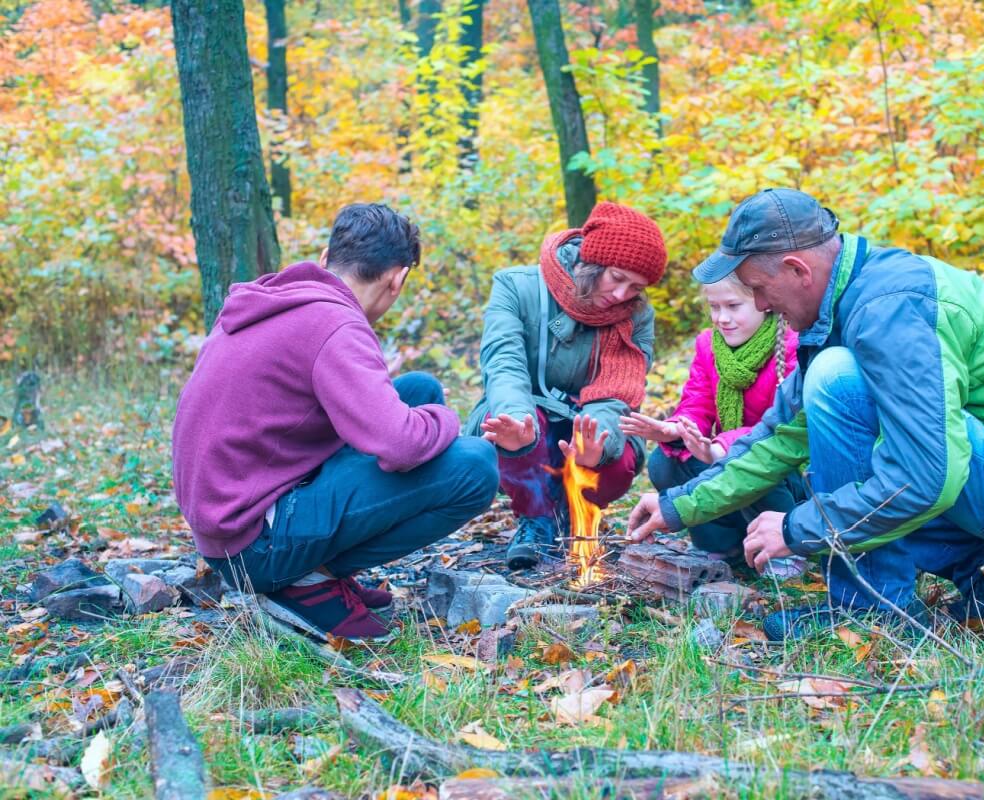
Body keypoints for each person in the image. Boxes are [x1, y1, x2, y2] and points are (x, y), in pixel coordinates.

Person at [628, 188, 984, 641]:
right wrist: (678, 505)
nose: (760, 304)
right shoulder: (850, 303)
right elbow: (780, 436)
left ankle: (871, 609)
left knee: (840, 380)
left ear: (799, 270)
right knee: (846, 411)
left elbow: (929, 476)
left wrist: (799, 529)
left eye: (759, 288)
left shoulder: (888, 310)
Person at [173, 203, 498, 640]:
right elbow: (399, 443)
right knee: (475, 466)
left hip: (231, 516)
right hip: (252, 546)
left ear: (327, 259)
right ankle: (307, 582)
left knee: (418, 390)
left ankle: (314, 571)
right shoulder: (335, 324)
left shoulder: (279, 300)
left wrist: (425, 416)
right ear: (397, 279)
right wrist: (448, 420)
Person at [466, 202, 667, 570]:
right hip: (528, 414)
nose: (622, 295)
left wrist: (595, 445)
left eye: (635, 287)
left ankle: (574, 513)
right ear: (591, 261)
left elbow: (618, 393)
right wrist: (517, 420)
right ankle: (536, 520)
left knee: (616, 455)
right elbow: (503, 362)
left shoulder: (637, 317)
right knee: (506, 425)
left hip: (588, 420)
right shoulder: (516, 286)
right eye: (616, 277)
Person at [619, 273, 801, 567]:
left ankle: (780, 553)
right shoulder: (709, 346)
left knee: (749, 463)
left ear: (763, 302)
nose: (722, 318)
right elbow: (698, 402)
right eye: (714, 307)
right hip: (728, 450)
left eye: (732, 306)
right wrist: (675, 429)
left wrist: (721, 448)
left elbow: (779, 427)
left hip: (784, 470)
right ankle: (723, 548)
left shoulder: (792, 344)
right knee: (665, 463)